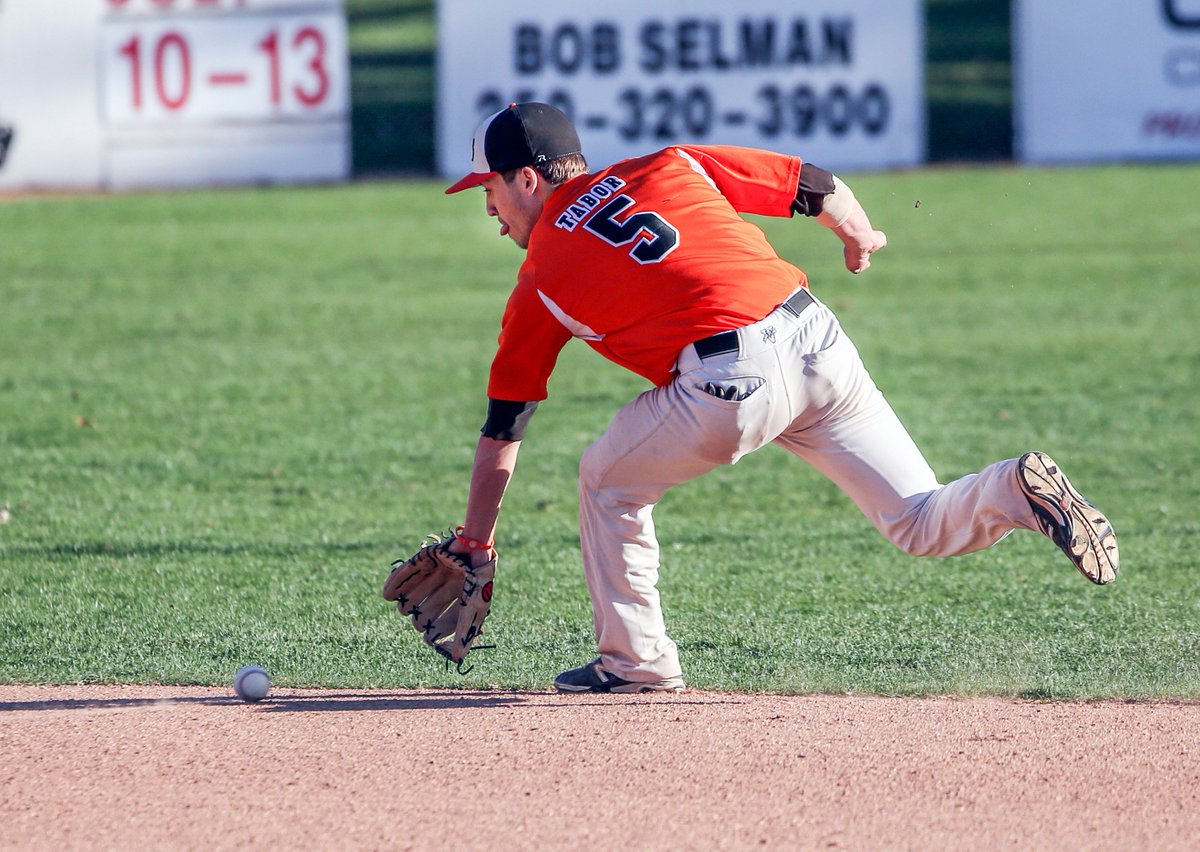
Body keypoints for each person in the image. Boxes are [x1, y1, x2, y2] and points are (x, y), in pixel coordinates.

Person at [439, 102, 1119, 693]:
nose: (489, 210)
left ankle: (638, 663)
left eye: (489, 189)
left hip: (730, 381)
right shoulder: (669, 166)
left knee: (605, 481)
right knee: (917, 519)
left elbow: (505, 429)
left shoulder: (540, 279)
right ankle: (1011, 489)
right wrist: (856, 234)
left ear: (527, 178)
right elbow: (811, 183)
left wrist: (476, 540)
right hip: (815, 336)